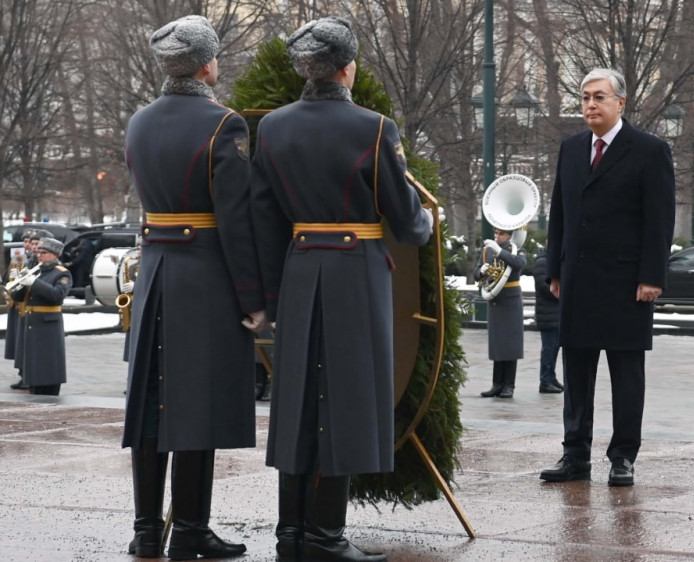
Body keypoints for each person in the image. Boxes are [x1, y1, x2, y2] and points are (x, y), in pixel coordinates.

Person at [250, 16, 433, 562]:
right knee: (349, 399)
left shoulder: (273, 127)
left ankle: (290, 534)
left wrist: (273, 291)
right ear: (348, 70)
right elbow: (406, 220)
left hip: (301, 267)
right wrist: (425, 221)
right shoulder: (372, 128)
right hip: (356, 272)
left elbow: (263, 219)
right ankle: (326, 537)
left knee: (297, 399)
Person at [120, 15, 265, 559]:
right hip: (204, 277)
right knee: (197, 406)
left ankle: (145, 529)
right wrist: (253, 299)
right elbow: (235, 220)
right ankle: (190, 530)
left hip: (155, 269)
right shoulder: (223, 124)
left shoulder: (138, 122)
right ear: (207, 63)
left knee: (151, 406)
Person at [540, 68, 675, 487]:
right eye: (584, 98)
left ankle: (623, 456)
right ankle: (574, 454)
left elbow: (660, 218)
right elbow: (558, 212)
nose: (590, 105)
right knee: (577, 372)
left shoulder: (649, 150)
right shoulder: (572, 147)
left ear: (621, 103)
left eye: (599, 97)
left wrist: (652, 275)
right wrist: (555, 269)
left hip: (626, 283)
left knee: (626, 374)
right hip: (578, 280)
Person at [11, 237, 71, 396]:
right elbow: (18, 298)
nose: (39, 256)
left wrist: (34, 283)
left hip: (49, 325)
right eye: (39, 252)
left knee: (48, 365)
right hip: (32, 324)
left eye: (44, 253)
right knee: (34, 366)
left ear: (54, 254)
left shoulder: (62, 273)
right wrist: (20, 284)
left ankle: (48, 394)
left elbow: (57, 295)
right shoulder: (37, 271)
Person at [474, 228, 526, 398]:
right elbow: (476, 273)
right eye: (496, 233)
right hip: (495, 300)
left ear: (509, 235)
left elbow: (519, 264)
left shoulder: (516, 249)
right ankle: (497, 384)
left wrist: (500, 251)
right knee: (497, 343)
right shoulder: (487, 250)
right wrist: (481, 272)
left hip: (510, 300)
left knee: (510, 344)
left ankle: (509, 385)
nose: (497, 237)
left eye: (501, 234)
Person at [531, 242, 563, 393]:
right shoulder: (542, 262)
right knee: (549, 350)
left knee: (554, 349)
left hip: (553, 314)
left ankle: (551, 377)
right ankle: (545, 381)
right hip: (547, 315)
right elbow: (544, 287)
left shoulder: (550, 260)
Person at [6, 228, 34, 390]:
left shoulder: (35, 259)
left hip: (27, 304)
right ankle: (22, 374)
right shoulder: (19, 256)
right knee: (17, 342)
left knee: (24, 343)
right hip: (16, 303)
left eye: (30, 242)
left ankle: (27, 375)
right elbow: (10, 276)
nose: (27, 245)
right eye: (25, 241)